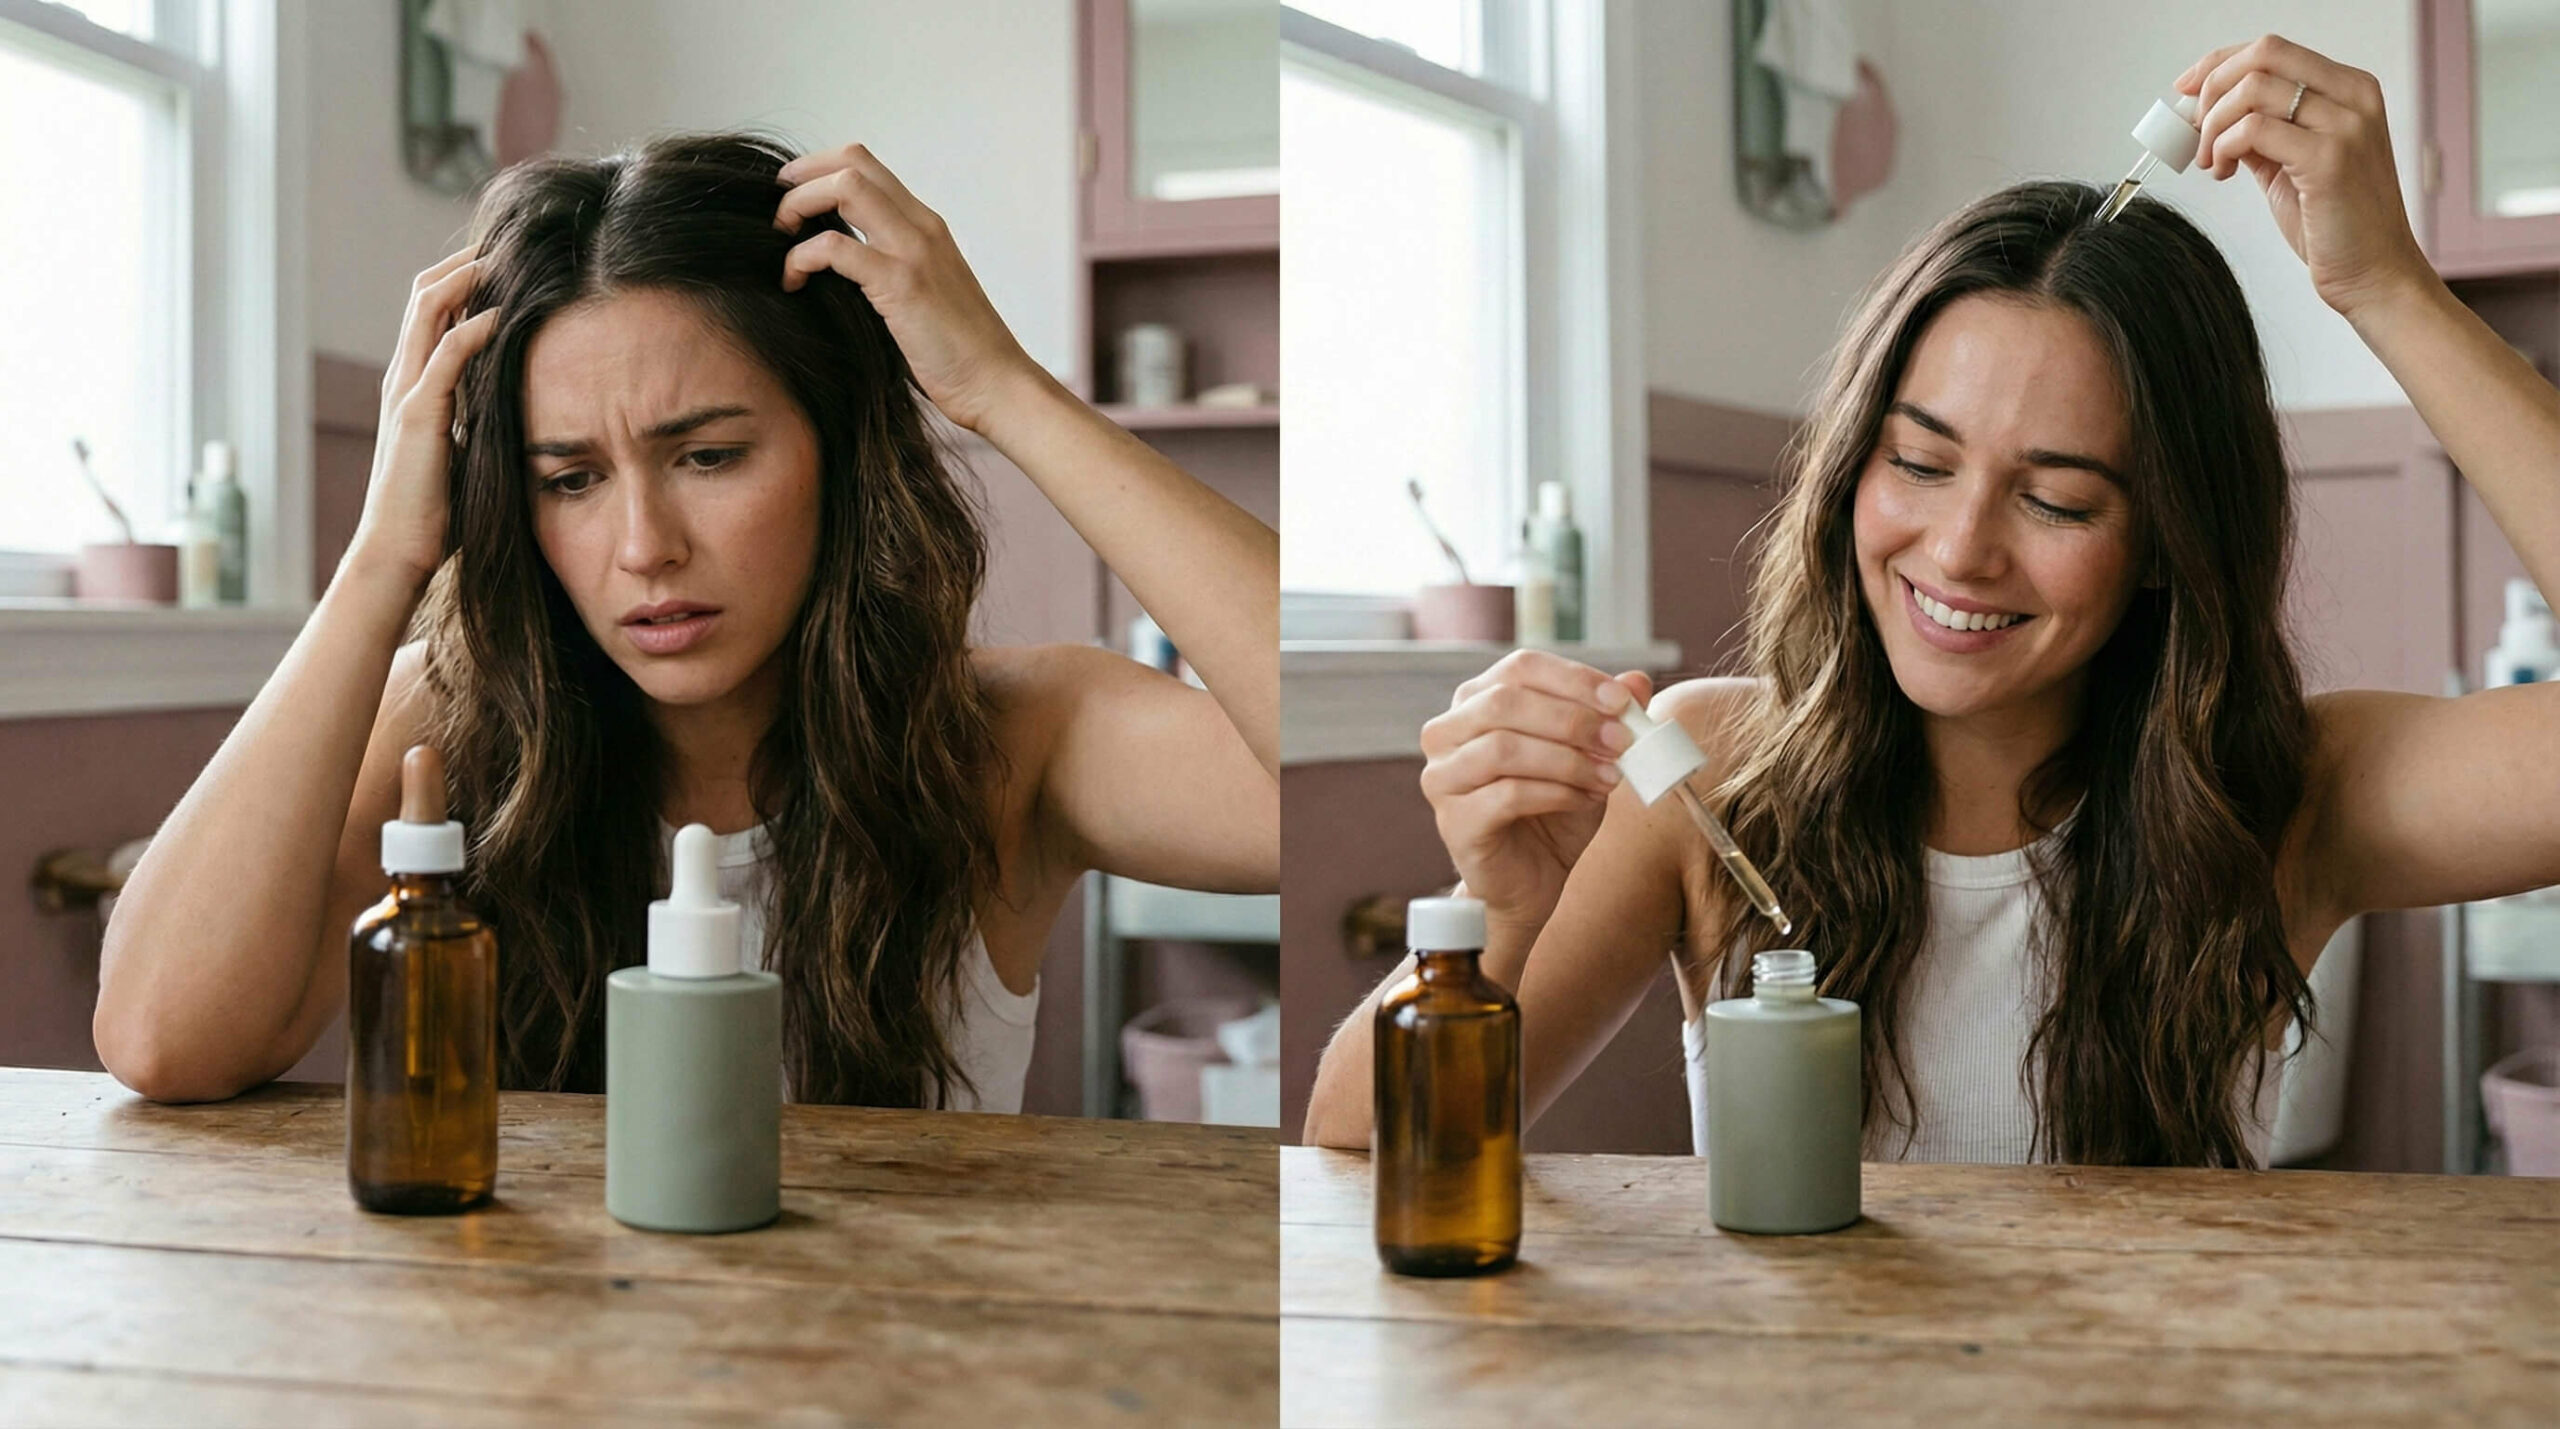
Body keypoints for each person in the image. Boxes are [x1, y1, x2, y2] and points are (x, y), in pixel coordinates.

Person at [1306, 36, 2560, 1166]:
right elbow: (1354, 1161)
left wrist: (2388, 287)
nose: (1958, 551)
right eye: (1916, 461)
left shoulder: (2289, 792)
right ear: (1854, 461)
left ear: (2168, 541)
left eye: (2058, 500)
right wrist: (1499, 920)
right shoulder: (1701, 777)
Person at [96, 134, 1278, 1111]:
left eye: (709, 455)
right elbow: (159, 1041)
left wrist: (1002, 388)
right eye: (568, 479)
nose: (643, 546)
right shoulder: (438, 726)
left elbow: (1317, 781)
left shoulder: (1019, 738)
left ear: (838, 453)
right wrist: (378, 564)